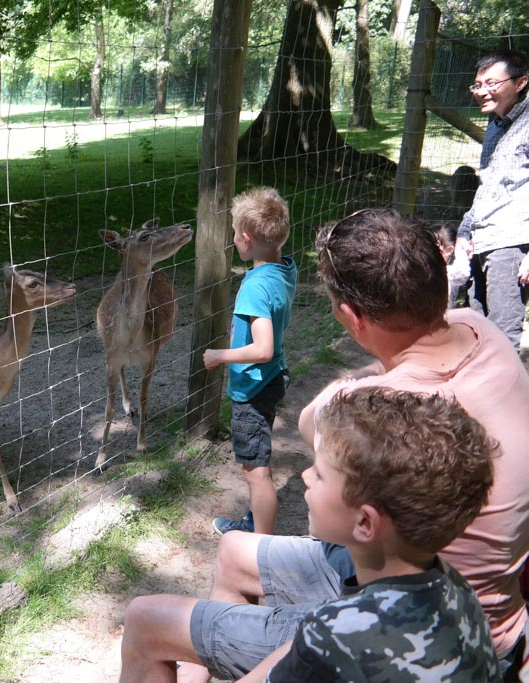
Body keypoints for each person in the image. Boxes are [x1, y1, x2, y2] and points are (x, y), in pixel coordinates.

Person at [118, 209, 529, 682]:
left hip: (406, 617)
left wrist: (357, 382)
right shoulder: (481, 329)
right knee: (234, 549)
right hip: (443, 582)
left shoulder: (380, 410)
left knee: (147, 621)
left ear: (352, 318)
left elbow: (315, 423)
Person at [260, 387, 497, 681]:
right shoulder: (457, 586)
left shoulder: (331, 634)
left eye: (320, 475)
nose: (305, 477)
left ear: (365, 523)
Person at [202, 187, 296, 536]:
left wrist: (219, 356)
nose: (232, 240)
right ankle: (256, 522)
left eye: (232, 233)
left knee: (257, 473)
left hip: (254, 386)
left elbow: (262, 349)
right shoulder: (284, 269)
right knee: (257, 461)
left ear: (245, 239)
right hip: (273, 378)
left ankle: (261, 546)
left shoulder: (255, 287)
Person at [456, 50, 529, 351]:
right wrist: (464, 231)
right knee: (477, 332)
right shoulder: (495, 124)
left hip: (512, 243)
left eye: (491, 83)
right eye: (477, 84)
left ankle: (506, 398)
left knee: (502, 339)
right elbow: (488, 187)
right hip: (481, 241)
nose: (482, 91)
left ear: (521, 82)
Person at [430, 222, 471, 307]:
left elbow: (462, 272)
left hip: (444, 316)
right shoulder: (424, 269)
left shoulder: (448, 273)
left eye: (433, 247)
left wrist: (461, 250)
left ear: (449, 250)